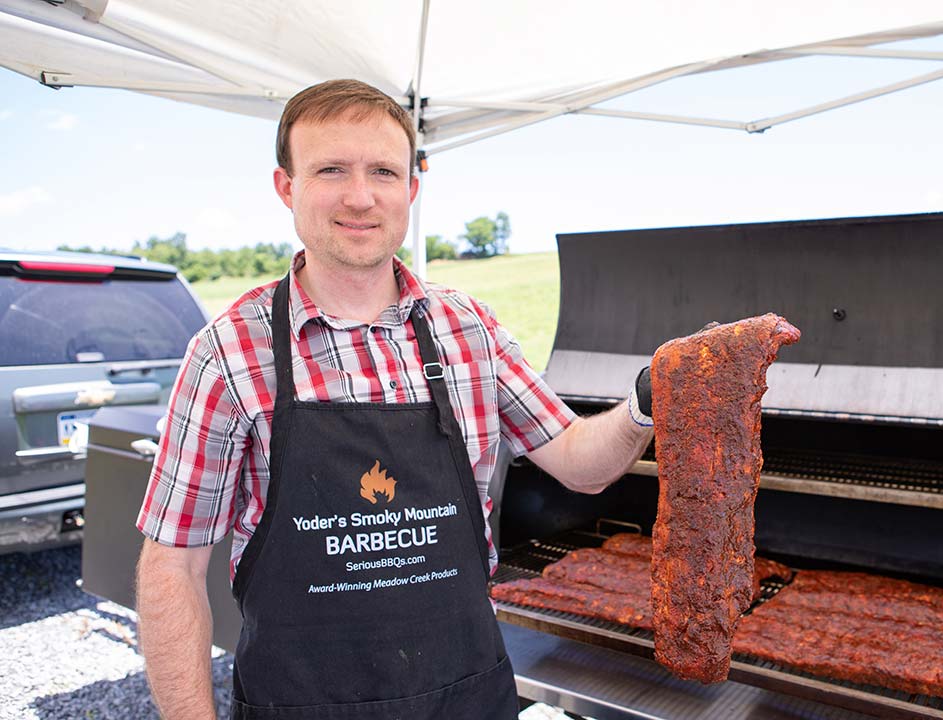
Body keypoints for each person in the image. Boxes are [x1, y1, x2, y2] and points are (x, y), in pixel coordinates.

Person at [135, 79, 656, 720]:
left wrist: (645, 402)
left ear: (410, 189)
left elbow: (583, 462)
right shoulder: (227, 355)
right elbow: (172, 566)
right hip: (301, 706)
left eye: (383, 171)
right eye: (331, 169)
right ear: (286, 188)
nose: (360, 197)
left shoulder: (469, 331)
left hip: (467, 698)